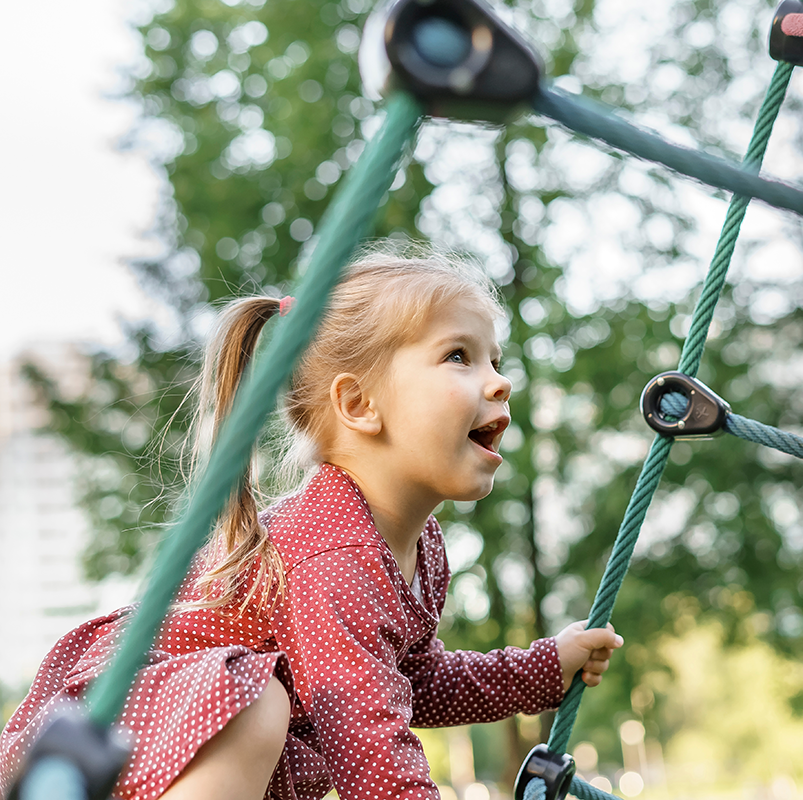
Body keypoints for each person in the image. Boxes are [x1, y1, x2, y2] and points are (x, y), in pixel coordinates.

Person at [0, 248, 624, 800]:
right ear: (358, 405)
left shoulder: (418, 549)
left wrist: (542, 669)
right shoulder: (333, 555)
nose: (500, 381)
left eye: (495, 358)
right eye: (459, 356)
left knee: (261, 702)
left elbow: (414, 683)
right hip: (122, 735)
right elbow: (370, 752)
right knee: (256, 700)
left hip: (191, 750)